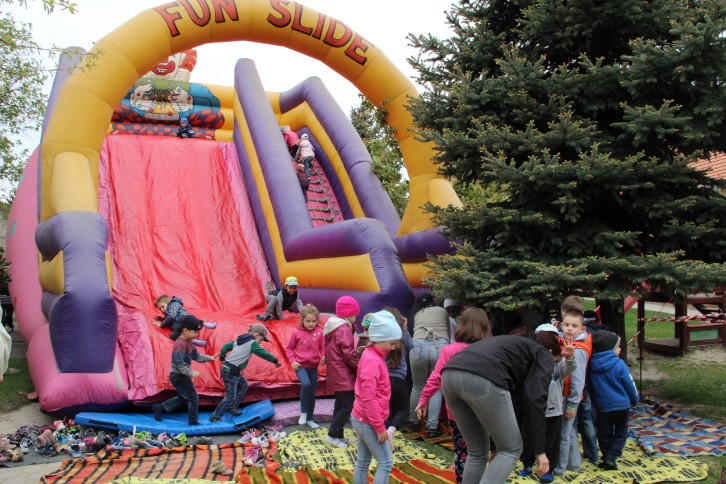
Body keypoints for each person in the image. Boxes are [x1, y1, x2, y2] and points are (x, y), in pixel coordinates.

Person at [441, 332, 567, 484]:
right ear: (550, 352)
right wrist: (540, 451)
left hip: (449, 376)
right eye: (554, 362)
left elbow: (516, 401)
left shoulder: (513, 346)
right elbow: (535, 400)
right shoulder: (543, 354)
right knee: (511, 449)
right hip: (482, 378)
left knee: (477, 452)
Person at [415, 307, 492, 483]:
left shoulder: (450, 350)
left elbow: (436, 377)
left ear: (462, 325)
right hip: (483, 409)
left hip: (457, 412)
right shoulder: (488, 350)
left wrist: (424, 399)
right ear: (485, 326)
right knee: (481, 452)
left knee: (461, 452)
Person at [519, 323, 577, 483]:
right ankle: (527, 464)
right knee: (528, 439)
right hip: (532, 410)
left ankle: (548, 470)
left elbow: (570, 367)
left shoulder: (558, 365)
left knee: (551, 442)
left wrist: (569, 356)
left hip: (553, 411)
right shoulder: (530, 363)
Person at [351, 310, 402, 484]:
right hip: (368, 421)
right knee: (386, 463)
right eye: (392, 343)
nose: (393, 348)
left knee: (363, 461)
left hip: (363, 418)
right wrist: (380, 428)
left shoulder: (372, 354)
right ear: (380, 339)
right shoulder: (373, 361)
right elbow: (368, 398)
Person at [588, 331, 639, 471]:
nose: (620, 349)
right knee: (621, 432)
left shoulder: (591, 366)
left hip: (602, 407)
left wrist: (594, 404)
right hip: (621, 405)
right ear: (610, 348)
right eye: (617, 347)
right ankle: (612, 457)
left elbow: (590, 388)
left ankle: (606, 456)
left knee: (603, 433)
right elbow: (629, 383)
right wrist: (635, 399)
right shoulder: (619, 364)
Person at [209, 323, 281, 422]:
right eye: (261, 339)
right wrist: (275, 361)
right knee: (230, 397)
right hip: (230, 371)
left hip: (232, 370)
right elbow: (263, 353)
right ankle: (215, 416)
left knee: (243, 385)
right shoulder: (252, 343)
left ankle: (232, 407)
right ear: (256, 335)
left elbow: (225, 346)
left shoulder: (239, 341)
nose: (260, 342)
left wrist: (222, 357)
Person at [153, 317, 216, 425]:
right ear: (185, 330)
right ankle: (193, 421)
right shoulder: (180, 344)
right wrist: (191, 372)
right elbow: (179, 363)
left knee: (183, 397)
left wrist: (209, 358)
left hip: (181, 375)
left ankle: (159, 407)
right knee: (193, 399)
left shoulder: (188, 342)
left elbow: (196, 356)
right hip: (179, 376)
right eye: (195, 332)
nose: (196, 334)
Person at [554, 308, 592, 476]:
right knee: (568, 431)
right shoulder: (565, 341)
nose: (569, 328)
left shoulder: (579, 350)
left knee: (564, 433)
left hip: (568, 397)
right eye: (566, 325)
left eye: (574, 326)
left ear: (582, 329)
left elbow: (578, 380)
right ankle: (573, 464)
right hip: (562, 395)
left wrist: (572, 404)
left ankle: (560, 468)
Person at [408, 293, 450, 438]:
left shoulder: (416, 313)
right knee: (436, 388)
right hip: (440, 345)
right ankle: (432, 427)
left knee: (417, 387)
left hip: (418, 346)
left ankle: (414, 422)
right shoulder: (442, 311)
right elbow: (448, 332)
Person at [323, 295, 361, 448]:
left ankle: (338, 434)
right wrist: (360, 366)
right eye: (355, 314)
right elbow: (348, 353)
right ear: (349, 314)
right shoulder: (344, 329)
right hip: (343, 374)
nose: (356, 317)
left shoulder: (334, 327)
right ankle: (332, 435)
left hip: (336, 372)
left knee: (340, 404)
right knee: (347, 406)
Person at [287, 304, 325, 429]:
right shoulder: (296, 332)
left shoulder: (319, 332)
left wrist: (324, 357)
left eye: (314, 321)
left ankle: (309, 418)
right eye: (308, 321)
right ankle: (303, 413)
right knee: (306, 384)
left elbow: (323, 348)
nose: (311, 324)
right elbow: (289, 348)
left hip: (313, 366)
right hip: (300, 365)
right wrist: (292, 361)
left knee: (312, 394)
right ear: (302, 320)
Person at [382, 306, 414, 451]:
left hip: (384, 378)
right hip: (398, 379)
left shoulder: (382, 338)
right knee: (403, 409)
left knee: (387, 409)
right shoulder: (401, 336)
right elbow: (411, 345)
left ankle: (386, 439)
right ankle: (391, 431)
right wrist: (405, 329)